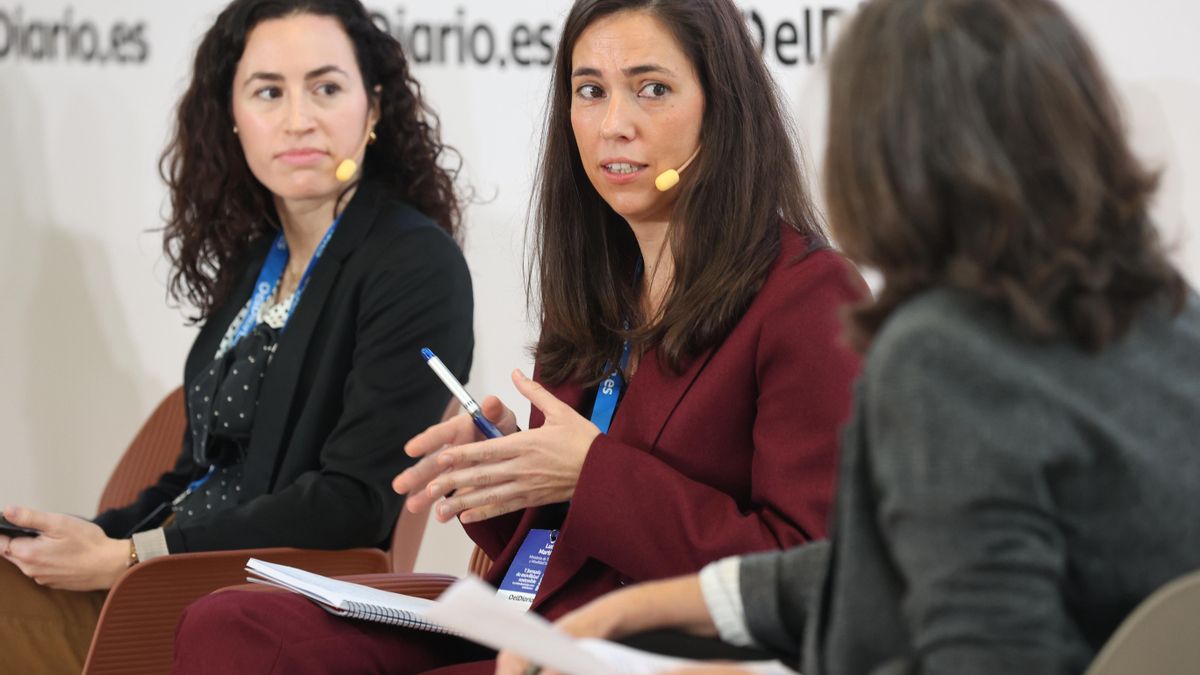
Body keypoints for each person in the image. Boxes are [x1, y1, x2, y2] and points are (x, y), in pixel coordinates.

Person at [498, 0, 1200, 673]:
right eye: (589, 90)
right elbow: (880, 564)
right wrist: (655, 606)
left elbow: (980, 652)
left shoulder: (941, 351)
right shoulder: (1173, 317)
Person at [169, 0, 864, 672]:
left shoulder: (805, 294)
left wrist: (590, 472)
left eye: (651, 89)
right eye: (589, 90)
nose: (613, 123)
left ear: (722, 110)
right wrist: (500, 473)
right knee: (231, 622)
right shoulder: (598, 283)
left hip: (653, 651)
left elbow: (806, 572)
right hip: (531, 621)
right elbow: (559, 538)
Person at [0, 0, 474, 672]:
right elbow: (202, 469)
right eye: (268, 92)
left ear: (372, 110)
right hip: (170, 571)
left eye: (326, 88)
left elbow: (357, 502)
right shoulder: (257, 261)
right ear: (231, 117)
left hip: (259, 599)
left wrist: (136, 554)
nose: (298, 119)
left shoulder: (413, 263)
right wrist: (94, 534)